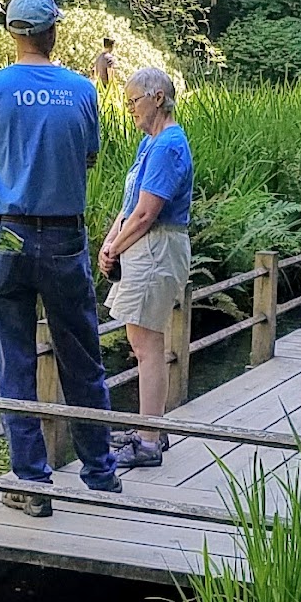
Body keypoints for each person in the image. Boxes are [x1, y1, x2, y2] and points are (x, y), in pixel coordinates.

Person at [0, 0, 119, 517]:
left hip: (6, 234)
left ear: (12, 33)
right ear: (53, 31)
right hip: (63, 236)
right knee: (82, 353)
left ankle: (32, 482)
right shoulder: (82, 91)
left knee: (14, 359)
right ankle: (100, 472)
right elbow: (90, 158)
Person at [98, 66, 193, 468]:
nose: (130, 110)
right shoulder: (149, 144)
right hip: (141, 246)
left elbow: (147, 214)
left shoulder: (170, 145)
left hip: (156, 248)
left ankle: (150, 440)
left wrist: (115, 248)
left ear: (157, 97)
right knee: (141, 343)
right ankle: (148, 427)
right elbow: (129, 206)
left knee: (146, 344)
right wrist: (109, 241)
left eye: (133, 101)